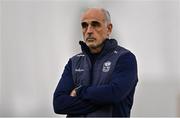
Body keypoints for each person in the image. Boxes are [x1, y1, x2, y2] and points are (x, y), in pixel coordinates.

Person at [53, 7, 138, 117]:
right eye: (84, 25)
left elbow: (115, 93)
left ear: (109, 29)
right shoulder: (73, 62)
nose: (88, 31)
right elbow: (59, 104)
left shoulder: (125, 58)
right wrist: (103, 101)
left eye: (95, 24)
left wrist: (80, 91)